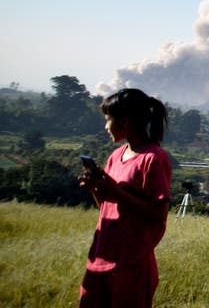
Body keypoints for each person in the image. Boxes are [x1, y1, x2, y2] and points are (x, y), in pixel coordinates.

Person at [77, 87, 173, 308]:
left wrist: (117, 192)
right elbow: (108, 207)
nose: (105, 126)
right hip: (101, 257)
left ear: (125, 122)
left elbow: (159, 213)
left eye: (107, 119)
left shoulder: (153, 159)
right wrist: (96, 189)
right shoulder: (115, 156)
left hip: (131, 264)